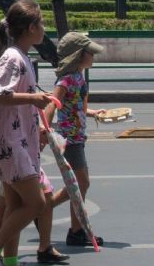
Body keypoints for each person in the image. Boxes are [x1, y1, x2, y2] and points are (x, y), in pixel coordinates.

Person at [0, 0, 50, 266]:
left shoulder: (19, 56)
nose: (44, 29)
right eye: (41, 23)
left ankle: (11, 263)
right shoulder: (13, 57)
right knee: (36, 203)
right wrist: (33, 99)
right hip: (10, 141)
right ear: (31, 28)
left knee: (14, 202)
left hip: (17, 138)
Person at [43, 31, 107, 248]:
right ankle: (44, 206)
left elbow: (77, 107)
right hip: (69, 139)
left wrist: (93, 112)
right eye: (90, 52)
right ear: (79, 55)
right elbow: (53, 103)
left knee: (78, 185)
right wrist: (44, 131)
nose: (93, 56)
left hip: (78, 136)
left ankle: (76, 231)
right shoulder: (67, 79)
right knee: (81, 183)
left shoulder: (78, 77)